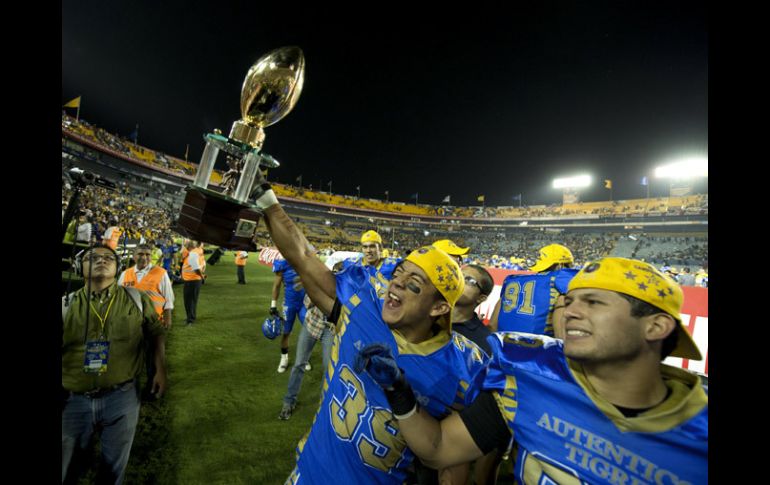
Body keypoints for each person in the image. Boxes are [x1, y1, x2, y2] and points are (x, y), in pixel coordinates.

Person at [360, 257, 708, 485]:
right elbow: (438, 448)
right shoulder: (527, 378)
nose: (570, 312)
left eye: (594, 302)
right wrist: (399, 391)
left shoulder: (698, 437)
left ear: (656, 326)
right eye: (568, 301)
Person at [249, 180, 488, 484]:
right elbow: (303, 257)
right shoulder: (365, 306)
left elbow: (453, 462)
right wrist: (267, 200)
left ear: (439, 308)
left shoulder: (461, 368)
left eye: (414, 284)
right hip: (307, 473)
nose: (397, 283)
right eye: (398, 274)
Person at [62, 245, 167, 484]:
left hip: (122, 397)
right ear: (79, 268)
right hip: (73, 401)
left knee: (113, 472)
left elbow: (156, 333)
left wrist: (161, 370)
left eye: (108, 258)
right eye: (92, 258)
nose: (101, 261)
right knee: (67, 468)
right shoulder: (65, 306)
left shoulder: (137, 298)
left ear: (118, 267)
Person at [278, 260, 341, 420]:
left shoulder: (345, 292)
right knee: (299, 363)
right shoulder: (319, 284)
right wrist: (316, 292)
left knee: (328, 369)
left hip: (329, 330)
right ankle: (288, 401)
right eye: (335, 273)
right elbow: (307, 304)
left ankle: (323, 405)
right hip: (311, 325)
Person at [489, 243, 579, 339]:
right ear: (561, 266)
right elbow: (561, 334)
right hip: (540, 350)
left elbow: (492, 325)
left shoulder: (512, 280)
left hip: (503, 348)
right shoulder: (562, 280)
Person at [271, 256, 308, 372]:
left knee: (308, 332)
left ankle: (304, 359)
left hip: (304, 303)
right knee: (286, 332)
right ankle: (284, 358)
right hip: (289, 304)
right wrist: (273, 305)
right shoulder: (282, 263)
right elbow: (276, 286)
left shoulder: (304, 260)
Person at [342, 229, 401, 300]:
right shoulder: (351, 264)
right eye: (365, 247)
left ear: (380, 248)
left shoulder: (393, 265)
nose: (368, 251)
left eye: (372, 246)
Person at [452, 265, 494, 355]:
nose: (459, 281)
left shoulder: (485, 342)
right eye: (458, 275)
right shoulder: (426, 316)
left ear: (481, 298)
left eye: (469, 280)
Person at [182, 239, 205, 325]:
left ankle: (190, 320)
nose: (186, 248)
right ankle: (191, 317)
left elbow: (196, 268)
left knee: (189, 301)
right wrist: (201, 276)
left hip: (191, 280)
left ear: (190, 246)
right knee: (193, 300)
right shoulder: (200, 251)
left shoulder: (193, 253)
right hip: (195, 280)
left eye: (186, 246)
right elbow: (203, 264)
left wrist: (201, 276)